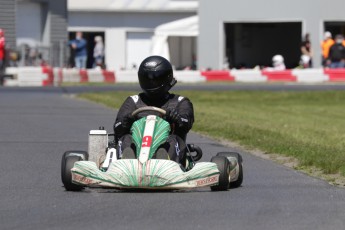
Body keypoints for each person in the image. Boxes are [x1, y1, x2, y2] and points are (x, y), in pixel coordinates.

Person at [113, 55, 194, 164]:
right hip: (137, 151)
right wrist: (127, 119)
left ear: (166, 78)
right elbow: (117, 127)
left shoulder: (180, 101)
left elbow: (187, 123)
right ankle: (127, 162)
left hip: (166, 151)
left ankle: (164, 161)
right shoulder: (133, 101)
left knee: (173, 140)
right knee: (126, 138)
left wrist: (177, 119)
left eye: (155, 80)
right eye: (147, 79)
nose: (151, 83)